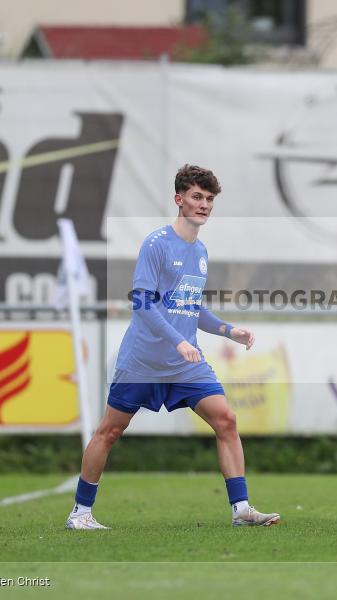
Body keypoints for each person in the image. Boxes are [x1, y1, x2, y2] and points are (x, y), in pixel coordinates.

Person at [66, 164, 280, 530]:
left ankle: (241, 509)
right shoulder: (156, 244)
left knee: (226, 420)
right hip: (144, 362)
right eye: (197, 197)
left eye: (209, 199)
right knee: (109, 431)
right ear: (179, 200)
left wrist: (229, 331)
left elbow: (191, 308)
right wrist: (177, 340)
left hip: (185, 364)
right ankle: (80, 513)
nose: (204, 204)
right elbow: (142, 303)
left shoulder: (200, 251)